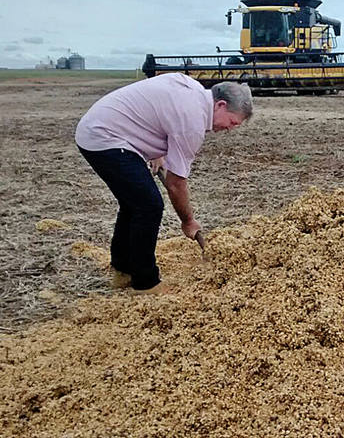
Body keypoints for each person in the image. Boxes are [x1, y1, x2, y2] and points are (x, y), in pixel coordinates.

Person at [75, 73, 253, 294]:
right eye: (232, 122)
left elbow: (157, 110)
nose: (229, 129)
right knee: (148, 206)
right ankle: (145, 282)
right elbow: (176, 183)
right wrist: (188, 221)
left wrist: (155, 150)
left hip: (102, 126)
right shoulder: (193, 122)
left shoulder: (193, 90)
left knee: (134, 203)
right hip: (104, 137)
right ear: (221, 105)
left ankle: (122, 270)